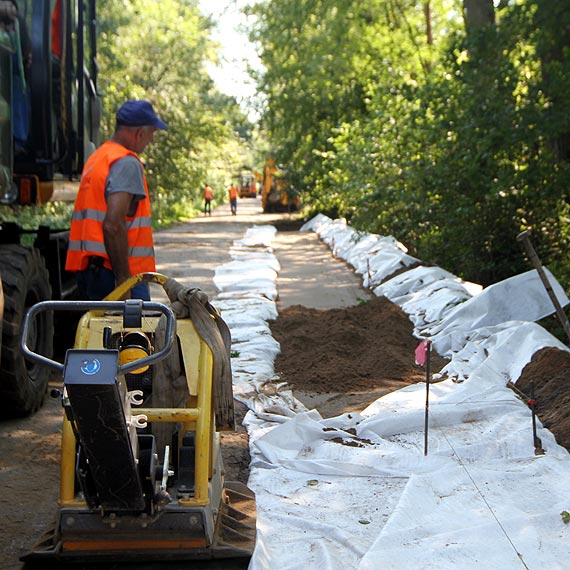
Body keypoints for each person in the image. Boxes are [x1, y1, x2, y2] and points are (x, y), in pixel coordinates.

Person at [65, 100, 168, 300]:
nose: (151, 140)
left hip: (92, 271)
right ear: (140, 133)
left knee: (99, 330)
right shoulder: (127, 163)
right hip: (116, 273)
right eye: (152, 134)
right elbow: (113, 225)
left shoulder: (98, 158)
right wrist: (123, 282)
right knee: (131, 331)